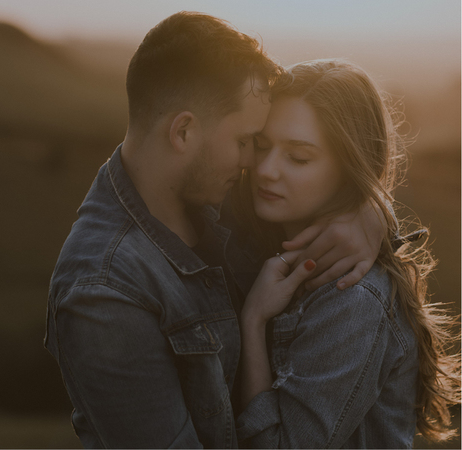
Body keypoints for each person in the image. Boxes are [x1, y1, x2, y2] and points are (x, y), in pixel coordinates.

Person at [43, 12, 386, 448]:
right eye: (246, 142)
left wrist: (367, 211)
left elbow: (339, 172)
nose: (254, 165)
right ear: (184, 131)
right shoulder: (105, 289)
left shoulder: (219, 200)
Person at [232, 60, 460, 448]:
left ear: (350, 166)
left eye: (298, 157)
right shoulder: (254, 239)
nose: (266, 170)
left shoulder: (352, 298)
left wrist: (253, 321)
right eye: (262, 145)